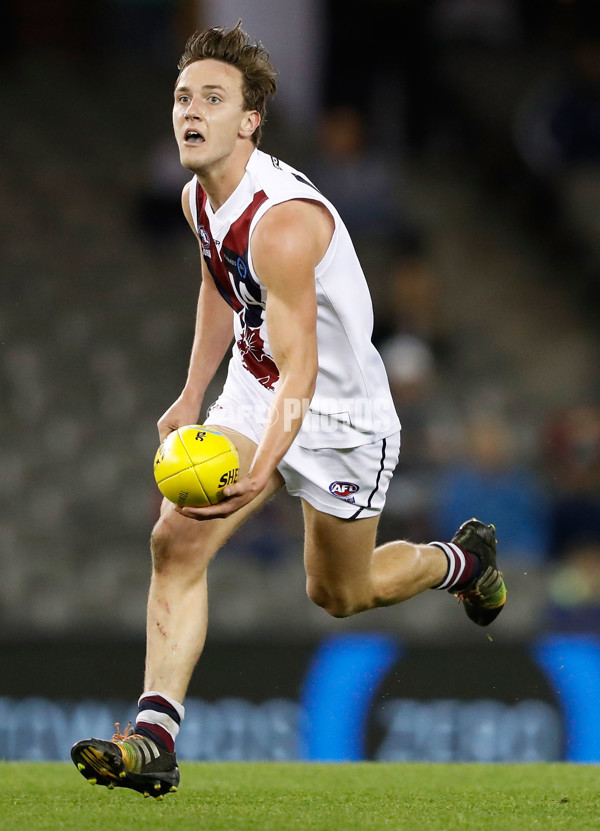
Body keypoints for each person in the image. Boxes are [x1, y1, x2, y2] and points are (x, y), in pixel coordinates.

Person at [71, 22, 506, 798]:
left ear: (250, 120)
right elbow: (216, 284)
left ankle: (462, 562)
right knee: (174, 541)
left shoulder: (283, 224)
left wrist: (265, 466)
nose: (190, 110)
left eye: (212, 96)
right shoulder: (196, 198)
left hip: (340, 415)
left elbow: (304, 362)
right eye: (181, 97)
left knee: (341, 594)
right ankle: (155, 736)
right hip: (257, 381)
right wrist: (191, 393)